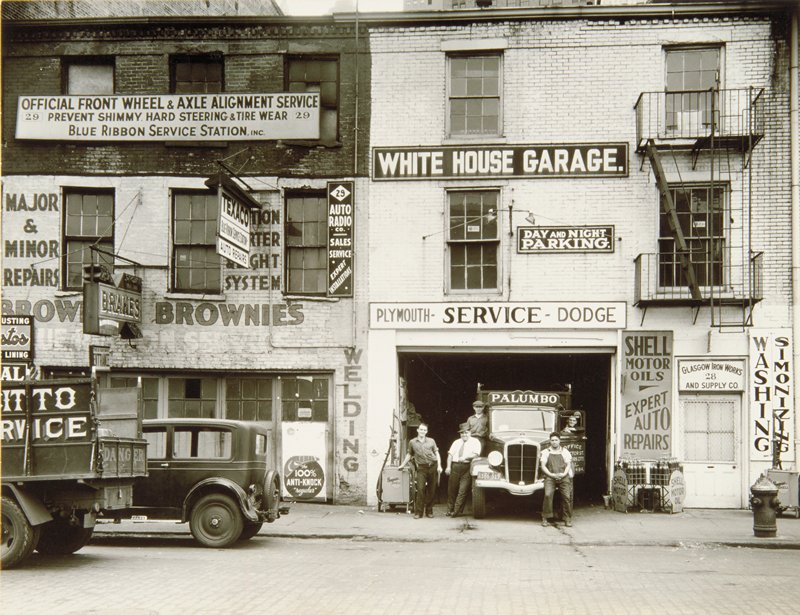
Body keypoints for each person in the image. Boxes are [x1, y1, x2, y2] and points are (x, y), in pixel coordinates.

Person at [399, 423, 441, 519]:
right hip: (421, 468)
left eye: (424, 430)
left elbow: (437, 453)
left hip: (432, 466)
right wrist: (402, 465)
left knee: (431, 490)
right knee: (420, 489)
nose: (422, 431)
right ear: (417, 430)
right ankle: (418, 512)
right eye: (421, 429)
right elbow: (409, 455)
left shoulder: (431, 441)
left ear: (426, 432)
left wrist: (439, 466)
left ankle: (429, 511)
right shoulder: (412, 442)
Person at [444, 424, 482, 518]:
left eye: (466, 432)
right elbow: (450, 455)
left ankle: (456, 511)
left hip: (467, 467)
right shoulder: (456, 442)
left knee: (463, 490)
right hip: (455, 466)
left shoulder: (475, 442)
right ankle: (450, 509)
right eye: (462, 433)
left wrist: (465, 457)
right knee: (451, 490)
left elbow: (476, 454)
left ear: (470, 432)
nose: (464, 435)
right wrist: (448, 467)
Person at [540, 431, 574, 527]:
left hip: (563, 476)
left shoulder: (565, 451)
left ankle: (567, 518)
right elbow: (543, 466)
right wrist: (551, 474)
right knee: (547, 495)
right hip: (550, 477)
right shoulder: (546, 452)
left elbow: (568, 465)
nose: (554, 442)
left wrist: (563, 474)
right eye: (552, 440)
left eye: (556, 440)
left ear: (559, 441)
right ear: (550, 441)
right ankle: (545, 517)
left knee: (567, 496)